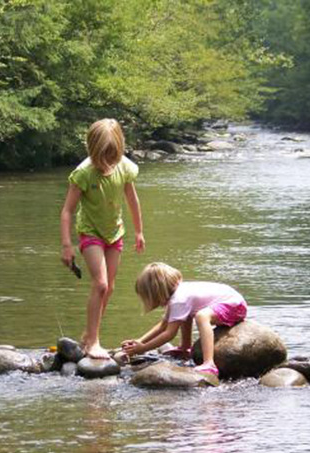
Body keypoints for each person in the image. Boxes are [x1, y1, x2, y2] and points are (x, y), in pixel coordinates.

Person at [60, 118, 145, 359]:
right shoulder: (84, 173)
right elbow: (66, 211)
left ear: (119, 149)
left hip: (114, 232)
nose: (107, 162)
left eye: (112, 155)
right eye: (102, 156)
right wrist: (67, 246)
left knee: (109, 288)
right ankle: (93, 342)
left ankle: (89, 335)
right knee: (100, 284)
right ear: (92, 149)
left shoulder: (125, 167)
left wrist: (139, 231)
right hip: (91, 232)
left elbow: (132, 199)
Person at [120, 262, 247, 375]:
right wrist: (140, 341)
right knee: (184, 315)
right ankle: (185, 348)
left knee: (201, 316)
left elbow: (169, 334)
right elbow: (164, 324)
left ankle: (209, 363)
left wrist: (143, 348)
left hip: (235, 306)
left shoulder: (179, 300)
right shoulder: (178, 295)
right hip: (232, 302)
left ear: (155, 293)